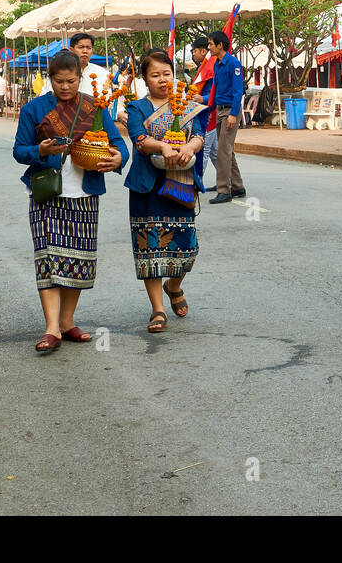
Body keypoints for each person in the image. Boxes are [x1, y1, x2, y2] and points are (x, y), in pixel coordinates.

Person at [13, 50, 126, 353]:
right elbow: (19, 150)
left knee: (77, 259)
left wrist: (117, 159)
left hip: (85, 192)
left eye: (71, 81)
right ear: (50, 79)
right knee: (48, 258)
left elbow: (119, 146)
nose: (65, 87)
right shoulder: (35, 109)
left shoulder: (95, 106)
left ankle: (66, 321)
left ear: (79, 77)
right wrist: (41, 150)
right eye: (59, 81)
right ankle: (51, 328)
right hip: (46, 192)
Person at [124, 49, 206, 332]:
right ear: (145, 79)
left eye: (166, 74)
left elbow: (198, 135)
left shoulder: (186, 105)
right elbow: (139, 139)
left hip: (180, 183)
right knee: (151, 249)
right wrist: (161, 146)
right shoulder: (137, 108)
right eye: (155, 75)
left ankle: (175, 285)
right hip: (147, 187)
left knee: (187, 247)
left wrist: (188, 147)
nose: (162, 80)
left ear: (174, 74)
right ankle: (158, 309)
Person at [207, 31, 246, 204]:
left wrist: (232, 114)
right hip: (220, 110)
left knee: (223, 150)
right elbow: (216, 89)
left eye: (210, 44)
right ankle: (237, 186)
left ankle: (224, 190)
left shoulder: (233, 63)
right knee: (227, 149)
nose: (209, 48)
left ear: (220, 45)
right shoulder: (217, 64)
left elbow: (238, 91)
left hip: (231, 111)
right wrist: (210, 109)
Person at [187, 38, 217, 193]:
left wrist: (203, 99)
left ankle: (197, 181)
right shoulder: (203, 67)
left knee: (204, 149)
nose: (193, 54)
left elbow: (214, 92)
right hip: (203, 110)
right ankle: (229, 182)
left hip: (209, 112)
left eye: (194, 51)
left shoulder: (211, 67)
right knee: (215, 152)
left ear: (203, 51)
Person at [40, 33, 107, 96]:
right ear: (71, 50)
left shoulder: (102, 72)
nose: (85, 51)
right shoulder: (59, 70)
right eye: (81, 47)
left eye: (88, 48)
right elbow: (46, 94)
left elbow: (107, 96)